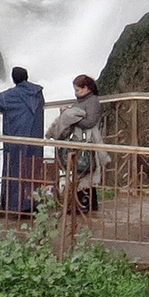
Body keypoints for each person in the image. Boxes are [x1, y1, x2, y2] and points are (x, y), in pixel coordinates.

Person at [0, 67, 44, 217]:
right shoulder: (38, 93)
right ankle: (33, 203)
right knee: (33, 170)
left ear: (14, 79)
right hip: (35, 138)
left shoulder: (9, 96)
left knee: (15, 171)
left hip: (16, 140)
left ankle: (15, 206)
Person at [48, 74, 104, 212]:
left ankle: (84, 204)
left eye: (78, 90)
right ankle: (87, 204)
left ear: (86, 88)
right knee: (82, 171)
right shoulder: (82, 101)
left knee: (85, 171)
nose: (76, 92)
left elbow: (91, 122)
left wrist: (73, 118)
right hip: (80, 140)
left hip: (88, 140)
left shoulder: (93, 101)